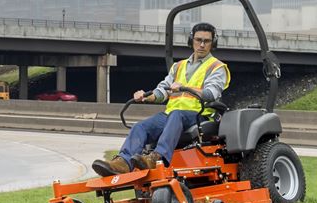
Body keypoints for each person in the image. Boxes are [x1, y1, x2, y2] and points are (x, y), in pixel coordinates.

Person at [92, 22, 230, 176]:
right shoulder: (178, 66)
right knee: (140, 127)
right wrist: (146, 97)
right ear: (191, 40)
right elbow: (162, 91)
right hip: (171, 115)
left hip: (199, 115)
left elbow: (211, 93)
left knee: (177, 114)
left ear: (213, 43)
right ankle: (123, 163)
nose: (202, 44)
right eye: (198, 40)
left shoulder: (217, 67)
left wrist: (185, 88)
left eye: (207, 41)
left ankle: (156, 158)